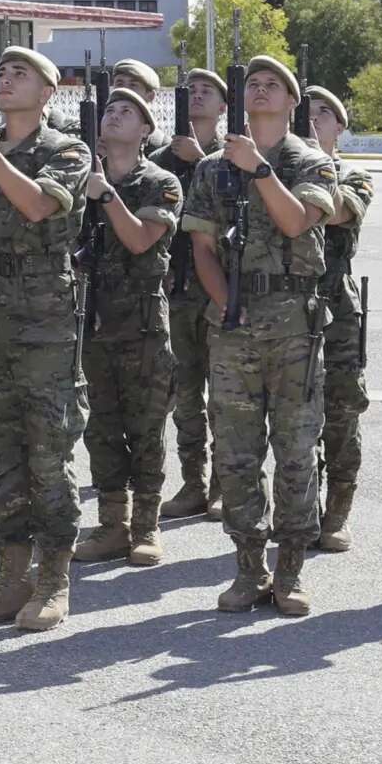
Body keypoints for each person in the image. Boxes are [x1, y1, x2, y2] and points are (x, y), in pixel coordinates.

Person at [182, 56, 336, 616]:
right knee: (237, 453)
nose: (263, 91)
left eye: (275, 85)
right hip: (235, 324)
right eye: (254, 85)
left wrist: (260, 170)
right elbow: (201, 247)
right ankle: (249, 567)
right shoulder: (212, 170)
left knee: (296, 451)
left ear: (293, 102)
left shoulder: (309, 161)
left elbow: (298, 222)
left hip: (295, 318)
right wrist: (227, 305)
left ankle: (290, 568)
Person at [0, 47, 89, 632]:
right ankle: (10, 577)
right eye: (1, 73)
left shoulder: (66, 150)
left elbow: (34, 205)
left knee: (48, 453)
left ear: (49, 92)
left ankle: (54, 580)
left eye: (20, 73)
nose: (6, 80)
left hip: (45, 317)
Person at [72, 89, 182, 566]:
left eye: (127, 113)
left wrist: (107, 195)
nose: (115, 117)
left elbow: (140, 240)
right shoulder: (79, 182)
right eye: (110, 111)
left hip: (141, 324)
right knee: (101, 428)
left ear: (144, 130)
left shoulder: (161, 182)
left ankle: (146, 526)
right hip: (91, 321)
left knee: (145, 428)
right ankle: (112, 525)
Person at [153, 68, 231, 520]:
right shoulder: (162, 156)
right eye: (191, 90)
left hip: (218, 286)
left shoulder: (231, 155)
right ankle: (192, 481)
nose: (197, 96)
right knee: (186, 393)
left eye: (208, 91)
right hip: (178, 286)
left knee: (224, 394)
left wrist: (201, 157)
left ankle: (223, 483)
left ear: (224, 106)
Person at [305, 87, 374, 552]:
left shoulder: (353, 174)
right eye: (303, 114)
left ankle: (338, 511)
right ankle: (302, 510)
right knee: (293, 415)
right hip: (289, 304)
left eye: (322, 114)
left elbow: (339, 210)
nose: (311, 121)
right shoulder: (278, 171)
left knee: (341, 411)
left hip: (337, 307)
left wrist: (313, 164)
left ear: (339, 126)